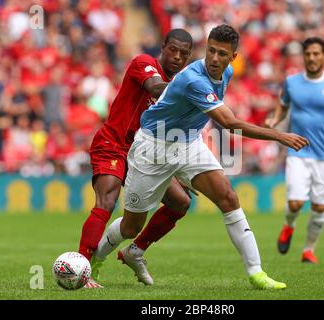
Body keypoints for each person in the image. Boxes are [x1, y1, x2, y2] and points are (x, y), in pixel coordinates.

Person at [94, 24, 309, 290]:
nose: (215, 59)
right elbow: (228, 123)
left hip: (188, 143)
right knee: (130, 227)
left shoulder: (226, 73)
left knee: (228, 198)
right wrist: (278, 135)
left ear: (234, 58)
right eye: (211, 51)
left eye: (222, 54)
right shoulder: (193, 79)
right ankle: (96, 259)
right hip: (152, 147)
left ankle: (257, 273)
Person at [79, 29, 194, 288]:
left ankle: (136, 250)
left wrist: (175, 169)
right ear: (162, 47)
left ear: (188, 57)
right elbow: (154, 87)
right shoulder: (144, 64)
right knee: (107, 201)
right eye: (172, 50)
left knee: (180, 203)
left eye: (183, 54)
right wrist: (191, 88)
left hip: (146, 153)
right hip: (114, 144)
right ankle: (83, 268)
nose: (176, 56)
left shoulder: (182, 87)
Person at [265, 37, 324, 264]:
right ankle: (289, 226)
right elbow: (282, 103)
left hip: (323, 155)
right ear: (303, 56)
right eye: (308, 54)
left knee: (319, 206)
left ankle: (308, 250)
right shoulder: (291, 83)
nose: (311, 58)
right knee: (296, 203)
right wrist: (275, 119)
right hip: (297, 152)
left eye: (316, 54)